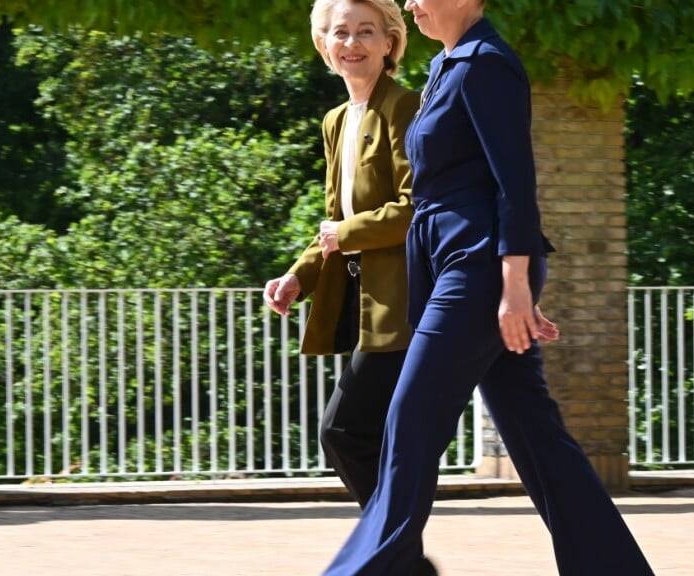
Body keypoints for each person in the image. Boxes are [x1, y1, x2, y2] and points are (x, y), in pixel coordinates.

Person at [322, 1, 655, 575]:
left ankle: (364, 570)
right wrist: (517, 285)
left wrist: (515, 285)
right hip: (456, 265)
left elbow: (515, 184)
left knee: (411, 418)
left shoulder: (487, 64)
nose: (409, 3)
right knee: (534, 434)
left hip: (475, 268)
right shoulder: (447, 66)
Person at [265, 1, 558, 574]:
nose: (352, 43)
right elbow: (333, 218)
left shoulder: (411, 102)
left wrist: (516, 281)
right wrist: (299, 276)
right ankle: (398, 557)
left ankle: (392, 559)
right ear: (323, 45)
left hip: (418, 291)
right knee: (525, 433)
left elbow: (418, 205)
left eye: (366, 31)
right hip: (379, 297)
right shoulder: (337, 120)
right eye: (339, 33)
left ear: (389, 42)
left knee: (358, 429)